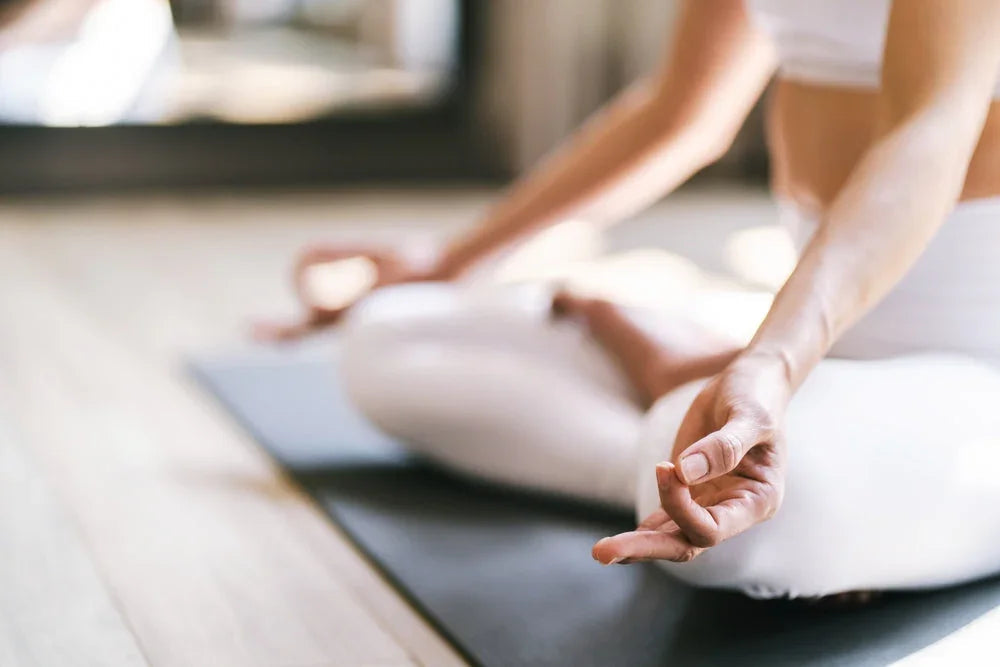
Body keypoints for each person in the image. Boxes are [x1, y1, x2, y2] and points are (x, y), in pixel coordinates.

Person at [259, 0, 1000, 599]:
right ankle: (703, 423)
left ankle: (695, 407)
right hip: (819, 348)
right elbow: (682, 113)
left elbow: (931, 128)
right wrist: (452, 261)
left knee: (756, 516)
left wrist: (773, 360)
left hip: (973, 371)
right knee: (389, 337)